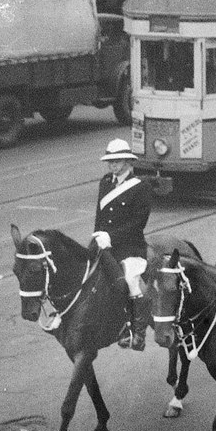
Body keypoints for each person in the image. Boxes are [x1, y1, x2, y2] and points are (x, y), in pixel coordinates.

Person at [94, 139, 152, 351]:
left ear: (128, 161)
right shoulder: (106, 182)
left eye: (117, 161)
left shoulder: (141, 187)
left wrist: (112, 238)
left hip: (130, 246)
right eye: (110, 161)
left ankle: (137, 332)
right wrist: (97, 238)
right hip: (105, 244)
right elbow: (100, 216)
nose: (112, 165)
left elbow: (138, 223)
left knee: (130, 282)